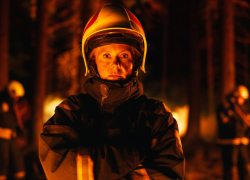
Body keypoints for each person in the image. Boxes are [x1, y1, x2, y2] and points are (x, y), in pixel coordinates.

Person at [39, 4, 185, 180]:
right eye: (106, 56)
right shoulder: (70, 112)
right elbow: (59, 168)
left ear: (137, 61)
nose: (115, 64)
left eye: (124, 55)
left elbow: (170, 175)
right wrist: (133, 154)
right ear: (92, 61)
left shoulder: (157, 115)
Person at [216, 85, 250, 180]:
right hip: (229, 144)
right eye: (241, 98)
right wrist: (231, 109)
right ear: (235, 97)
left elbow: (244, 125)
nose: (242, 101)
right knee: (230, 168)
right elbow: (223, 122)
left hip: (242, 143)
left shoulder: (242, 109)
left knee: (244, 167)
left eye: (244, 99)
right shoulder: (224, 107)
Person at [0, 80, 26, 180]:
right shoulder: (2, 100)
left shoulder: (10, 102)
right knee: (3, 157)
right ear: (12, 91)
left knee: (16, 157)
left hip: (11, 135)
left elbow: (10, 119)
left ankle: (20, 175)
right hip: (2, 136)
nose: (17, 98)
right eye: (16, 96)